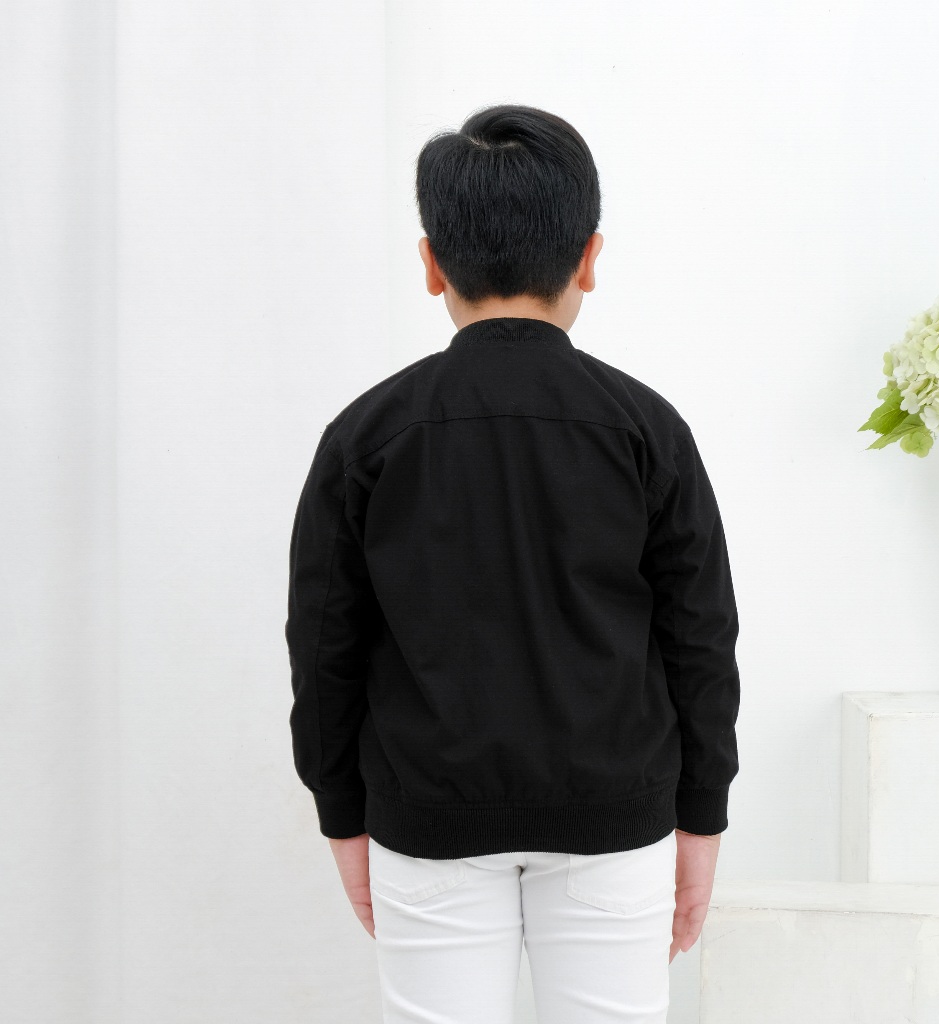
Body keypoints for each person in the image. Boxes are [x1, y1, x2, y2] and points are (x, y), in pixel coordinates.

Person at [285, 103, 741, 1024]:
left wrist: (342, 812)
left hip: (427, 816)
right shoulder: (646, 429)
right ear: (589, 258)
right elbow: (700, 636)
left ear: (431, 263)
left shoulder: (366, 435)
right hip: (616, 815)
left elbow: (324, 645)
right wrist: (702, 813)